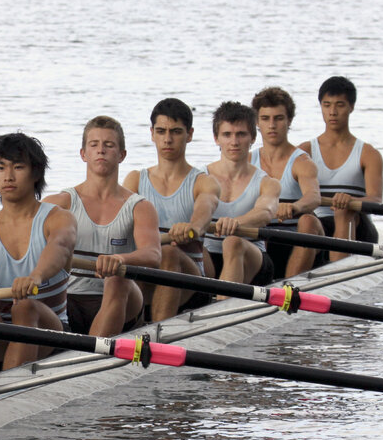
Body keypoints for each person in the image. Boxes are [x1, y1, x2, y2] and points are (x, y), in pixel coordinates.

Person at [0, 133, 77, 369]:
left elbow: (60, 246)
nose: (9, 176)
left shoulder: (57, 218)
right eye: (1, 168)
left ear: (35, 173)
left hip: (51, 335)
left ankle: (5, 388)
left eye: (18, 167)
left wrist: (35, 277)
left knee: (24, 307)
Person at [44, 115, 161, 336]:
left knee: (118, 278)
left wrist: (120, 259)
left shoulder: (139, 207)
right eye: (94, 145)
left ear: (121, 155)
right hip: (68, 300)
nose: (101, 151)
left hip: (120, 300)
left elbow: (153, 254)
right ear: (83, 154)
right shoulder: (58, 203)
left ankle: (93, 358)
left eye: (109, 145)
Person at [124, 98, 221, 321]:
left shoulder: (204, 182)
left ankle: (157, 336)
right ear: (152, 134)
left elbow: (205, 208)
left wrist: (193, 227)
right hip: (148, 270)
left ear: (190, 134)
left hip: (191, 280)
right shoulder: (135, 180)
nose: (167, 139)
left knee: (168, 254)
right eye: (161, 131)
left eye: (176, 132)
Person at [298, 76, 383, 261]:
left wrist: (350, 200)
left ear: (351, 107)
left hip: (358, 227)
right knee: (306, 221)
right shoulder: (304, 152)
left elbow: (376, 200)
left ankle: (337, 275)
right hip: (319, 225)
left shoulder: (368, 154)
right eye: (327, 105)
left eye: (340, 105)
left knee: (343, 211)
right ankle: (289, 284)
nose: (333, 112)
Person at [202, 101, 281, 289]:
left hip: (252, 259)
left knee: (232, 242)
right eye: (227, 135)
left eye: (241, 134)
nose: (234, 142)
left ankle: (219, 312)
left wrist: (237, 223)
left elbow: (265, 212)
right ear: (216, 138)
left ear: (253, 138)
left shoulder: (267, 183)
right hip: (208, 258)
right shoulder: (198, 178)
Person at [250, 86, 323, 277]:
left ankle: (290, 288)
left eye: (278, 118)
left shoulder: (301, 162)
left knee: (309, 220)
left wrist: (295, 207)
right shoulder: (248, 161)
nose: (272, 125)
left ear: (289, 121)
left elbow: (314, 196)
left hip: (299, 241)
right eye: (265, 119)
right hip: (263, 241)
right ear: (257, 122)